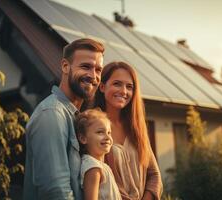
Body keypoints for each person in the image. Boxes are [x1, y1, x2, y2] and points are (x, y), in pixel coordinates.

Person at [23, 38, 104, 200]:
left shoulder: (75, 117)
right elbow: (56, 191)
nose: (93, 76)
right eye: (85, 66)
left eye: (98, 70)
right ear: (65, 67)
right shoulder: (52, 114)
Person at [94, 61, 163, 200]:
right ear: (102, 86)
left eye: (129, 87)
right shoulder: (91, 126)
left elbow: (154, 175)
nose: (124, 91)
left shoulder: (136, 127)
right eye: (117, 84)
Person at [75, 109, 122, 200]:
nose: (108, 137)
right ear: (83, 138)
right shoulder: (93, 167)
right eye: (100, 132)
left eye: (109, 132)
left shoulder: (101, 166)